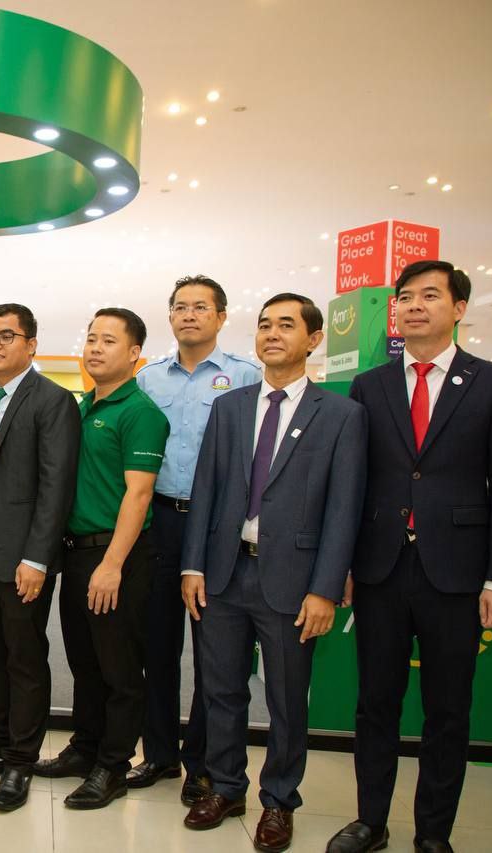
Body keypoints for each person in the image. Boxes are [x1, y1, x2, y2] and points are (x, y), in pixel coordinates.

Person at [327, 261, 492, 853]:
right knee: (375, 704)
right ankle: (371, 821)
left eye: (429, 296)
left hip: (457, 572)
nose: (414, 305)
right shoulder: (371, 385)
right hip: (381, 568)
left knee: (448, 710)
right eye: (405, 297)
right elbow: (354, 484)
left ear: (458, 308)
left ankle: (434, 832)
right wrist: (343, 566)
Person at [181, 294, 367, 852]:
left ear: (314, 340)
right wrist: (193, 565)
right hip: (224, 572)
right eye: (265, 325)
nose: (272, 334)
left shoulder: (341, 415)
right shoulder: (230, 408)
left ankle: (279, 800)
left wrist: (325, 588)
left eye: (287, 325)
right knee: (220, 690)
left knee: (286, 699)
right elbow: (206, 490)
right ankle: (226, 787)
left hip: (293, 579)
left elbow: (345, 509)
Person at [132, 274, 260, 803]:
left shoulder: (248, 377)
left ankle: (204, 763)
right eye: (180, 307)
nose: (189, 315)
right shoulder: (148, 379)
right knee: (156, 645)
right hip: (159, 521)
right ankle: (158, 754)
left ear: (221, 317)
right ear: (170, 316)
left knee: (217, 654)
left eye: (200, 307)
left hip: (217, 527)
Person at [0, 303, 80, 812]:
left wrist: (38, 559)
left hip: (22, 557)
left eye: (7, 336)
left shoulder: (52, 400)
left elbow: (55, 487)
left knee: (24, 657)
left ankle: (21, 761)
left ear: (31, 344)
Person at [35, 308, 167, 809]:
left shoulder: (141, 413)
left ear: (134, 354)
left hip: (118, 557)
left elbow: (139, 495)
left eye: (108, 340)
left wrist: (112, 565)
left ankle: (112, 767)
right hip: (76, 554)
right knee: (84, 662)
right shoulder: (83, 405)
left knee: (119, 668)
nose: (95, 348)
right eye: (91, 338)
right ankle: (85, 747)